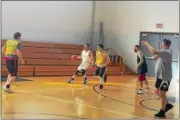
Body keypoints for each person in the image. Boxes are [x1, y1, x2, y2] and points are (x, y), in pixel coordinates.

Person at [142, 38, 173, 118]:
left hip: (164, 77)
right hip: (160, 76)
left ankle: (162, 111)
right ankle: (167, 104)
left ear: (164, 44)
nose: (161, 45)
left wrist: (147, 44)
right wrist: (156, 55)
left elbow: (153, 51)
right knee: (157, 92)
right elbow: (154, 56)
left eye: (161, 43)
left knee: (162, 93)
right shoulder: (164, 52)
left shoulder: (167, 52)